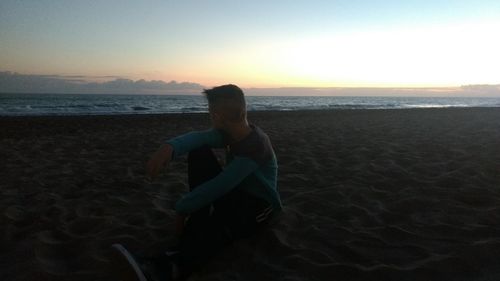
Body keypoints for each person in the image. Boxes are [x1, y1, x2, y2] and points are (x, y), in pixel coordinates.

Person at [146, 84, 283, 280]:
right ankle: (193, 230)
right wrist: (169, 147)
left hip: (258, 208)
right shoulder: (232, 133)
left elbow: (219, 186)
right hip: (236, 193)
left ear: (217, 115)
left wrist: (182, 208)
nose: (211, 116)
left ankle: (175, 267)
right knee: (199, 150)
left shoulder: (256, 145)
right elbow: (198, 138)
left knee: (220, 229)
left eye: (212, 112)